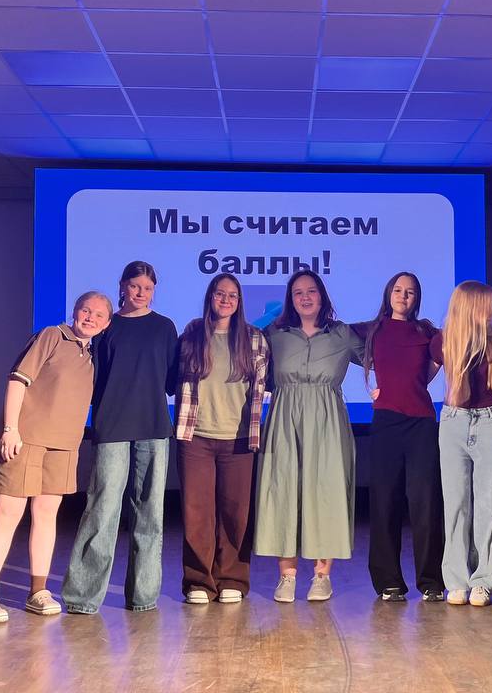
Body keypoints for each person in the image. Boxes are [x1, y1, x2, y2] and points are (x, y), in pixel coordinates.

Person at [0, 291, 112, 624]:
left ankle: (38, 591)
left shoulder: (91, 355)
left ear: (107, 324)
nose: (90, 318)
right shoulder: (52, 335)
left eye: (98, 315)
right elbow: (17, 381)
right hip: (26, 441)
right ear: (75, 311)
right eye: (85, 310)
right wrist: (10, 429)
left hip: (63, 446)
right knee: (7, 514)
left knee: (47, 516)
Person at [62, 261, 178, 614]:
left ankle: (143, 597)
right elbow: (92, 379)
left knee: (150, 515)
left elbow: (171, 381)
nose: (141, 292)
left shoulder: (164, 327)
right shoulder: (106, 328)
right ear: (123, 287)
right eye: (135, 285)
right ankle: (82, 598)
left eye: (148, 288)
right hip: (112, 427)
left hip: (153, 428)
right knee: (102, 510)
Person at [253, 270, 363, 602]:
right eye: (298, 292)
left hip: (328, 420)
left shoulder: (342, 334)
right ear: (290, 299)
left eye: (311, 291)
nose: (305, 297)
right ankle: (286, 576)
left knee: (326, 491)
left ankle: (321, 575)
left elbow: (382, 358)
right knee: (283, 490)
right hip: (285, 416)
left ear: (322, 296)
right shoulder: (275, 334)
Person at [173, 273, 270, 604]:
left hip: (239, 439)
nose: (226, 300)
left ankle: (232, 579)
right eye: (220, 294)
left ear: (239, 301)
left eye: (232, 295)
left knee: (235, 513)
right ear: (210, 297)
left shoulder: (255, 339)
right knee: (196, 513)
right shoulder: (191, 335)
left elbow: (265, 385)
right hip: (195, 437)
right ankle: (199, 581)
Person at [355, 272, 444, 602]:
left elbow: (438, 361)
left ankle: (431, 580)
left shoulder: (427, 332)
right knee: (384, 502)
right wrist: (379, 387)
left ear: (416, 298)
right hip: (386, 423)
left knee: (425, 503)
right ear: (388, 293)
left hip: (421, 423)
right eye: (398, 290)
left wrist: (414, 384)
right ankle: (388, 581)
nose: (403, 296)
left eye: (410, 292)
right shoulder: (371, 330)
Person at [431, 281, 492, 607]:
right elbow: (421, 376)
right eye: (489, 305)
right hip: (453, 422)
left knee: (489, 505)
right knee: (455, 505)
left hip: (491, 422)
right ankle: (456, 581)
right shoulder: (443, 340)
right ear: (473, 307)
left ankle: (482, 581)